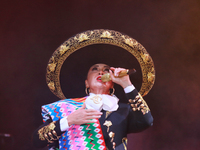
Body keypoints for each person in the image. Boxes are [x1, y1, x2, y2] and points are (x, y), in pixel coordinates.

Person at [33, 63, 153, 150]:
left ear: (112, 84)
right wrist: (68, 120)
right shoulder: (66, 108)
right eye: (95, 69)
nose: (101, 72)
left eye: (106, 70)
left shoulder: (122, 109)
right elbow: (37, 140)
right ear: (87, 83)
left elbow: (147, 121)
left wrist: (126, 83)